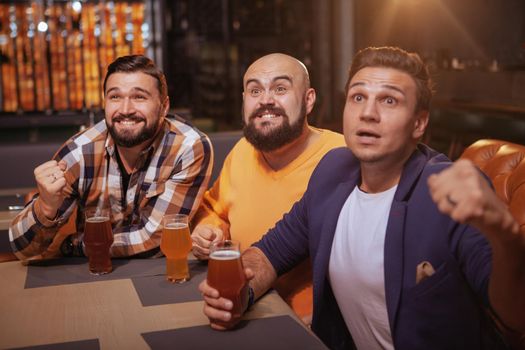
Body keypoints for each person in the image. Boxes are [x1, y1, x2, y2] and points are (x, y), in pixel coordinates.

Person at [199, 47, 525, 349]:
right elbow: (270, 253)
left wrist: (505, 235)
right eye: (357, 97)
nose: (368, 113)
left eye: (389, 101)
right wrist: (240, 291)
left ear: (419, 123)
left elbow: (516, 315)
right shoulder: (332, 171)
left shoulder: (443, 189)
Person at [10, 55, 213, 260]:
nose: (125, 110)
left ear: (164, 106)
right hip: (93, 277)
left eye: (139, 97)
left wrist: (73, 245)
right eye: (115, 97)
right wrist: (45, 208)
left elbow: (157, 238)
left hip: (162, 276)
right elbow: (22, 249)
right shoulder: (80, 152)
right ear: (104, 102)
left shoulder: (187, 147)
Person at [191, 53, 344, 321]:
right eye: (255, 90)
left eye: (280, 88)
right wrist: (210, 229)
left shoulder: (340, 157)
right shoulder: (242, 152)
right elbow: (213, 208)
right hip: (246, 305)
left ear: (309, 100)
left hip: (311, 326)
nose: (265, 100)